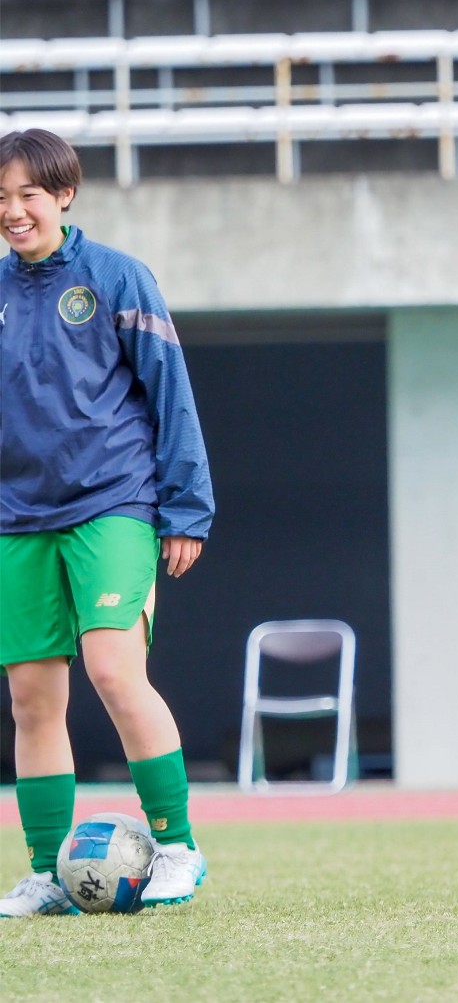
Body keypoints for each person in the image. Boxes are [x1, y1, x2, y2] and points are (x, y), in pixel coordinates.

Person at [0, 128, 214, 916]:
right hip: (16, 519)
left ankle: (180, 845)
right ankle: (48, 872)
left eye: (26, 193)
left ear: (63, 194)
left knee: (115, 671)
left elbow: (171, 397)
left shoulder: (118, 278)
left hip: (113, 505)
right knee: (30, 698)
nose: (13, 211)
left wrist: (187, 508)